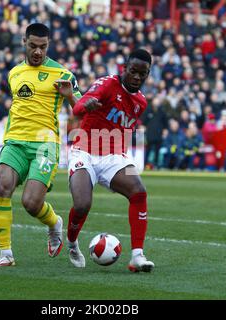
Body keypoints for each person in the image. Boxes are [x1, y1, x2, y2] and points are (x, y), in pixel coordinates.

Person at [0, 23, 81, 267]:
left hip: (45, 144)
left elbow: (82, 111)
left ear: (48, 45)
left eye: (43, 47)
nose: (38, 51)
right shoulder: (14, 73)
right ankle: (5, 254)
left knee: (31, 203)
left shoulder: (63, 74)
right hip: (15, 141)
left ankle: (54, 223)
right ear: (24, 42)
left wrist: (70, 96)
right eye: (33, 46)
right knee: (2, 186)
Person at [66, 49, 155, 272]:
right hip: (84, 150)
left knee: (139, 192)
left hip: (113, 156)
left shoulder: (141, 102)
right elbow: (77, 109)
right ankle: (72, 242)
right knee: (82, 204)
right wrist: (86, 106)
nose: (136, 77)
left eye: (142, 74)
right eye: (133, 71)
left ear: (147, 74)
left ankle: (137, 256)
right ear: (124, 68)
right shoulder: (106, 84)